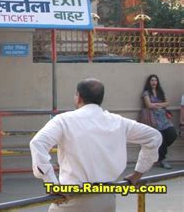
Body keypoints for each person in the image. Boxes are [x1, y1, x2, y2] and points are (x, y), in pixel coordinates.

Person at [30, 78, 162, 212]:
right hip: (106, 198)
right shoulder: (118, 122)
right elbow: (154, 137)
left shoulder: (64, 120)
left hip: (73, 197)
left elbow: (38, 143)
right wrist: (137, 174)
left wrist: (51, 183)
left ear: (78, 97)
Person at [141, 74, 178, 169]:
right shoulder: (146, 93)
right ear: (149, 82)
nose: (154, 82)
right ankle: (162, 159)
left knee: (172, 135)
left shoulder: (160, 92)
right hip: (154, 120)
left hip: (164, 119)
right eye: (152, 80)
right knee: (161, 139)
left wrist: (156, 104)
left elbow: (167, 103)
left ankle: (158, 154)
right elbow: (148, 105)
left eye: (155, 80)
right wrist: (161, 105)